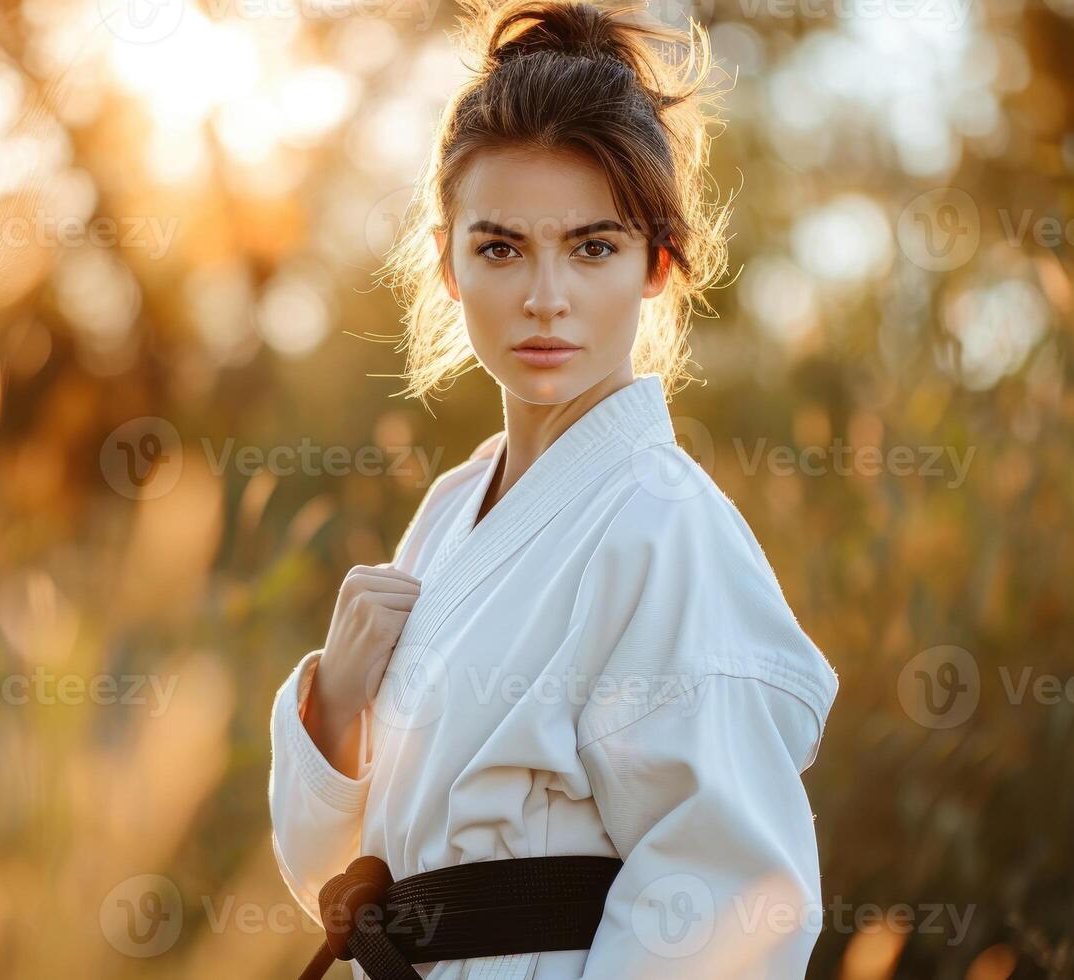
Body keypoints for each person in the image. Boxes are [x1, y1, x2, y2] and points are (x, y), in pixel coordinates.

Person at [268, 1, 840, 976]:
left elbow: (729, 906)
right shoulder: (449, 512)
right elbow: (350, 887)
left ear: (657, 260)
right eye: (501, 248)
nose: (545, 297)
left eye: (592, 246)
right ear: (447, 260)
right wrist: (332, 716)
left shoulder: (666, 530)